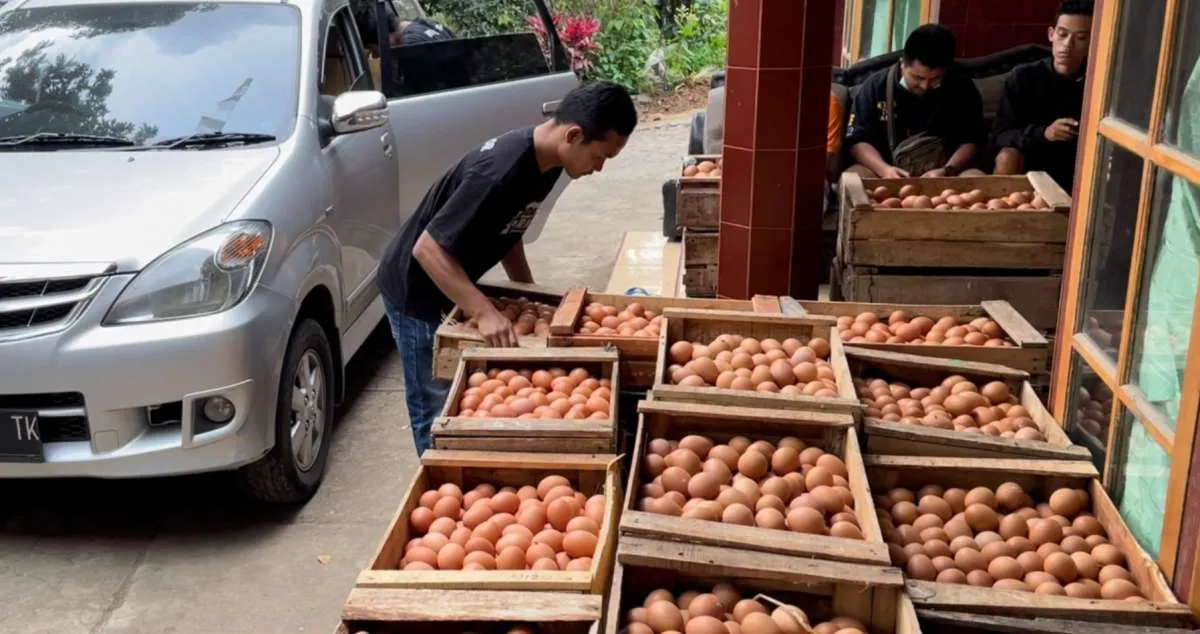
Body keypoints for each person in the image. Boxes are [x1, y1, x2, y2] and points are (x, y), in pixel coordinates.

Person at [376, 81, 638, 455]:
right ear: (573, 135)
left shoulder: (548, 163)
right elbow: (427, 249)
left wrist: (526, 292)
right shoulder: (498, 172)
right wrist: (483, 311)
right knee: (435, 405)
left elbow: (510, 227)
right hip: (416, 287)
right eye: (600, 156)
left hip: (451, 278)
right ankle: (436, 475)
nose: (598, 168)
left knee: (468, 396)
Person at [843, 24, 985, 179]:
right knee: (852, 178)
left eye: (935, 79)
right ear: (902, 64)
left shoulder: (962, 87)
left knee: (976, 178)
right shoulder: (875, 86)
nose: (925, 86)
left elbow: (972, 140)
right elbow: (857, 141)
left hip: (945, 172)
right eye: (918, 77)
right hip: (883, 170)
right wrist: (884, 170)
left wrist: (947, 170)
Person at [991, 1, 1093, 191]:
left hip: (1077, 165)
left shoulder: (1097, 82)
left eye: (1080, 38)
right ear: (1051, 34)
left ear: (1092, 43)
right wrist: (1044, 133)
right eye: (1062, 34)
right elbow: (999, 136)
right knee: (1007, 157)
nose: (1067, 45)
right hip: (1030, 162)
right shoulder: (1023, 77)